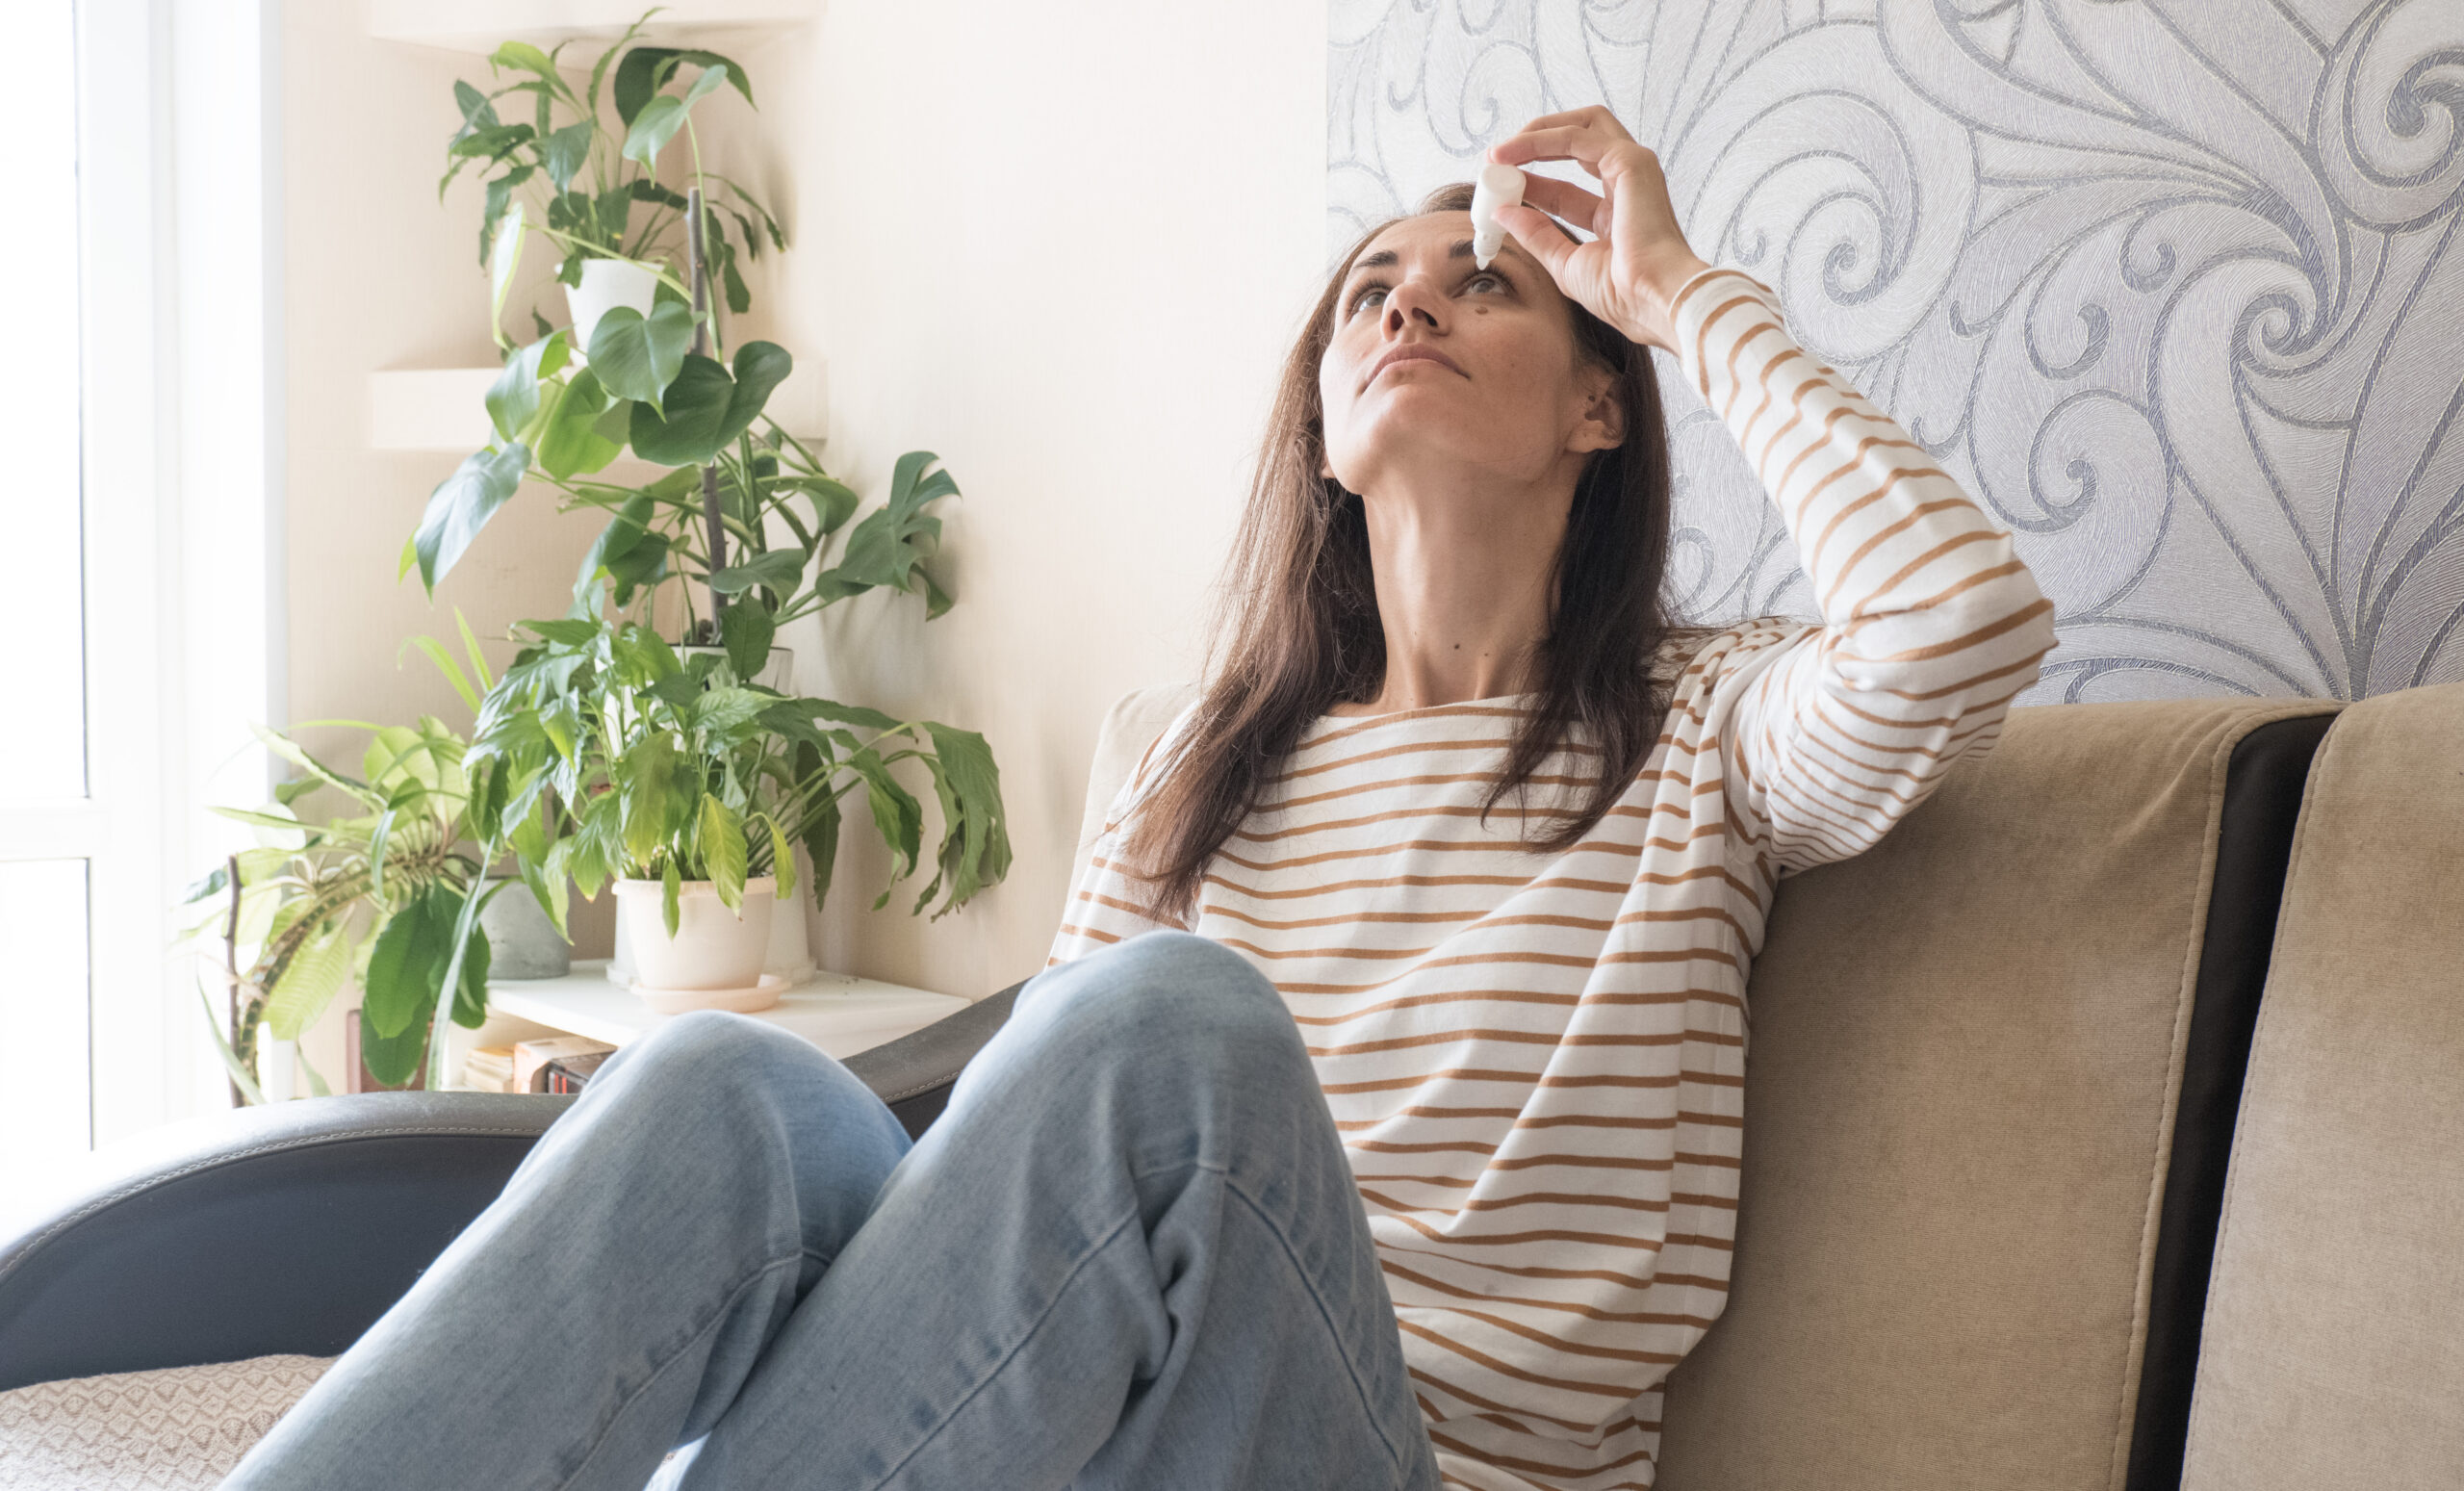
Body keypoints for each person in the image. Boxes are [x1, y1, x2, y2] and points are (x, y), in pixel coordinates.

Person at [228, 107, 2055, 1491]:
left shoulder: (1705, 730)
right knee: (724, 1089)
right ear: (1327, 427)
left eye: (1481, 282)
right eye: (1370, 292)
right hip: (1126, 1439)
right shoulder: (1200, 762)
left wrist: (1673, 292)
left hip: (1404, 1456)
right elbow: (1008, 1226)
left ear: (1598, 407)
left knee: (1171, 1027)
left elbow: (1962, 620)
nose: (1406, 296)